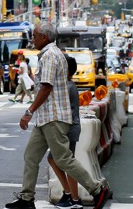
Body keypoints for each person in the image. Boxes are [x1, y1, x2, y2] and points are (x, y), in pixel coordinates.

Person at [5, 21, 111, 209]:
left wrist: (29, 112)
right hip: (46, 117)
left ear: (44, 37)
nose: (33, 39)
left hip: (53, 117)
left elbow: (46, 87)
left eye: (35, 36)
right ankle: (27, 198)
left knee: (63, 159)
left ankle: (96, 190)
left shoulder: (50, 56)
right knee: (31, 155)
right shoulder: (52, 54)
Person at [47, 55, 83, 209]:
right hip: (67, 128)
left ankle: (74, 199)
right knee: (54, 159)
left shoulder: (67, 87)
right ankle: (69, 194)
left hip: (68, 129)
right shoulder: (66, 85)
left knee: (67, 163)